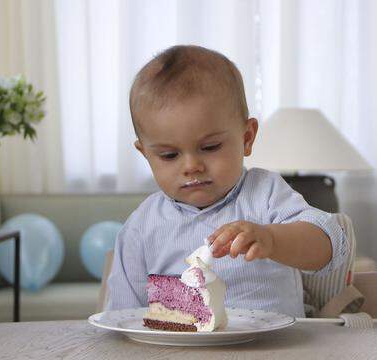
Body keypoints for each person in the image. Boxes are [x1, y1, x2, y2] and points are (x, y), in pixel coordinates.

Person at [105, 45, 348, 317]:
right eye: (169, 155)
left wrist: (271, 239)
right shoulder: (142, 226)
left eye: (210, 147)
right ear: (146, 154)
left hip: (275, 349)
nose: (191, 166)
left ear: (246, 138)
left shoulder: (264, 194)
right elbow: (123, 318)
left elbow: (329, 246)